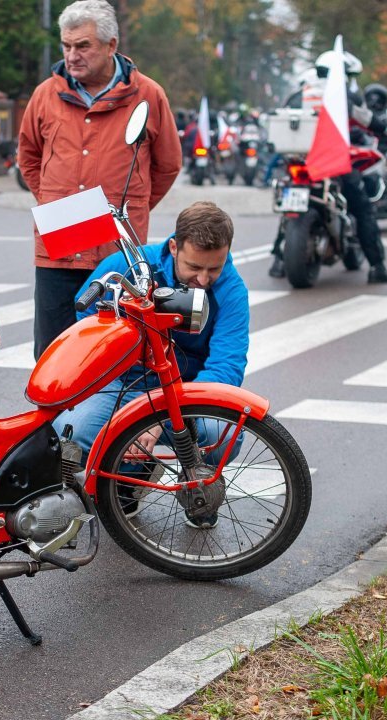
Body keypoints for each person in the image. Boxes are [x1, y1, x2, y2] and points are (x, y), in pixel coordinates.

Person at [53, 201, 249, 529]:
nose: (203, 279)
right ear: (173, 247)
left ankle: (197, 486)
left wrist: (161, 416)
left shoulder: (232, 291)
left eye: (214, 269)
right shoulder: (126, 266)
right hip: (121, 383)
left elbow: (226, 370)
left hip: (184, 393)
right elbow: (85, 327)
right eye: (194, 267)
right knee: (70, 433)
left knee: (223, 433)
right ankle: (127, 478)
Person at [18, 0, 182, 359]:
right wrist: (54, 203)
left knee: (115, 353)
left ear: (111, 46)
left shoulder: (148, 95)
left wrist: (130, 209)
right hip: (58, 248)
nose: (72, 55)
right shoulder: (46, 94)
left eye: (83, 46)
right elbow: (28, 157)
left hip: (116, 249)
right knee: (52, 353)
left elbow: (168, 165)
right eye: (66, 45)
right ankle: (55, 417)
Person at [270, 49, 387, 283]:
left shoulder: (299, 94)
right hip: (332, 164)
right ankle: (377, 266)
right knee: (363, 209)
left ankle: (278, 261)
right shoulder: (343, 96)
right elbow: (368, 120)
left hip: (300, 163)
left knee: (291, 206)